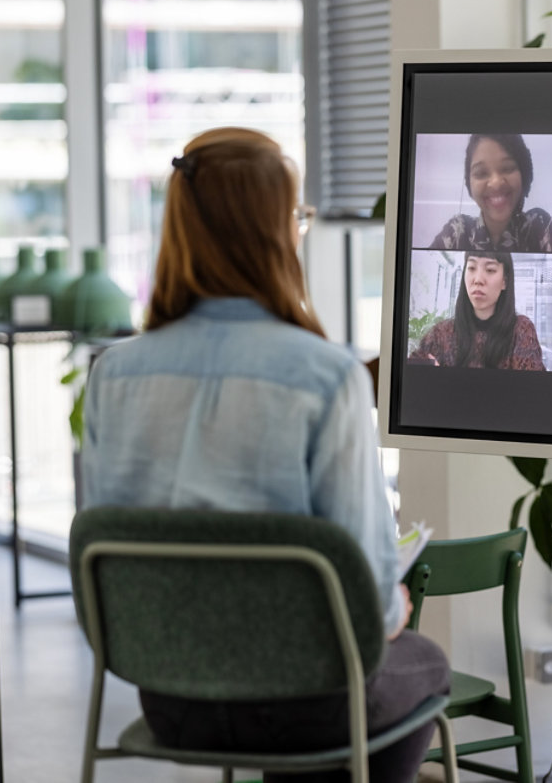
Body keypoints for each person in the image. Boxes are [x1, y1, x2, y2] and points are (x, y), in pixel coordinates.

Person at [81, 127, 449, 783]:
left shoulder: (113, 376)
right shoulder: (324, 376)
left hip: (170, 698)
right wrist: (394, 605)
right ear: (272, 232)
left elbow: (110, 550)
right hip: (304, 704)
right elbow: (364, 588)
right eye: (298, 217)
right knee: (420, 661)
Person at [428, 133, 552, 252]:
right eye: (482, 173)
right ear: (469, 184)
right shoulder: (457, 232)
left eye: (507, 168)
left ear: (524, 175)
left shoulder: (539, 225)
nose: (496, 183)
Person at [409, 251, 545, 370]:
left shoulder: (521, 330)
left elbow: (532, 392)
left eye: (490, 270)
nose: (478, 280)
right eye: (472, 268)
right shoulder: (441, 334)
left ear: (505, 281)